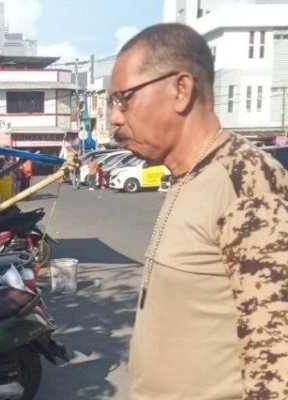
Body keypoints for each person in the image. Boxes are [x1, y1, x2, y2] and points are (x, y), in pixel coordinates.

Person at [109, 24, 287, 399]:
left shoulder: (245, 182)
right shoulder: (188, 175)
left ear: (181, 89)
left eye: (123, 99)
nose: (115, 117)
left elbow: (277, 363)